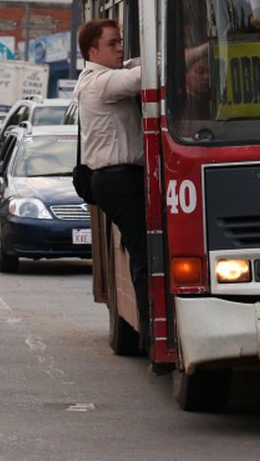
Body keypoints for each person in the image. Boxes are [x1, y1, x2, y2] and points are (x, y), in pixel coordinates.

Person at [73, 18, 149, 347]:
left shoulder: (104, 76)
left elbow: (135, 64)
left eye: (120, 42)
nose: (120, 49)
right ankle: (153, 335)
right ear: (93, 51)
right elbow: (143, 75)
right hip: (117, 179)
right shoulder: (98, 83)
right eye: (113, 44)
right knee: (145, 254)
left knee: (145, 251)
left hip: (119, 178)